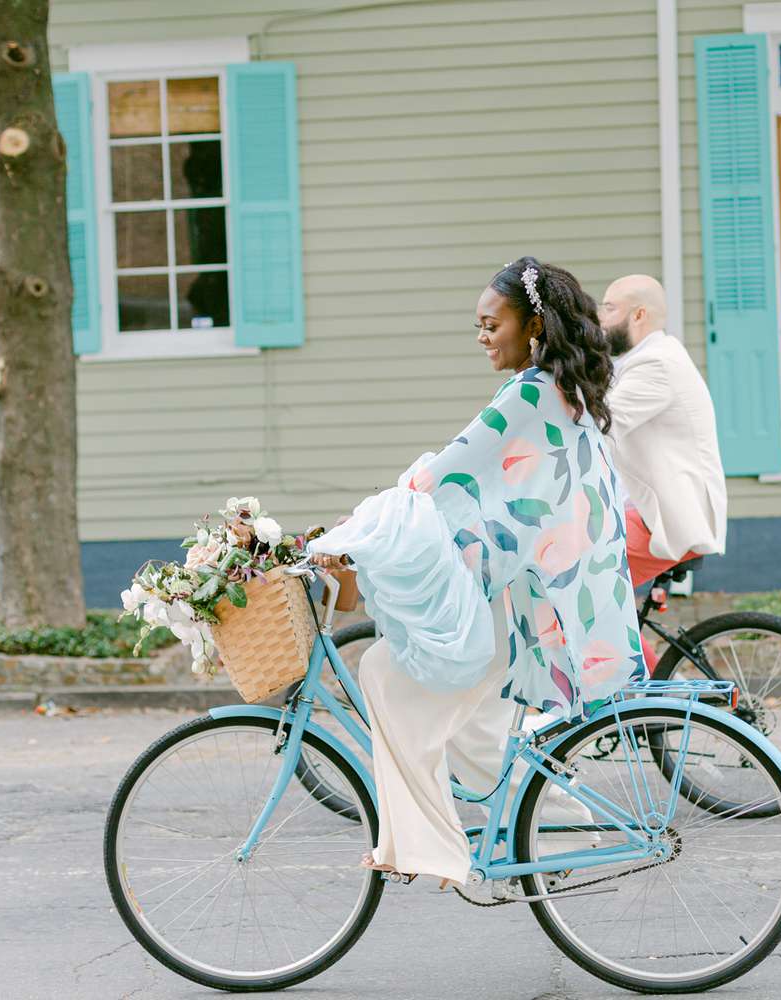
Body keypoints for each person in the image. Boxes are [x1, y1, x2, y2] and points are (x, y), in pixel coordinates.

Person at [307, 257, 642, 889]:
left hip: (513, 595)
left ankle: (427, 848)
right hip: (522, 593)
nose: (483, 337)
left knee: (383, 671)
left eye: (493, 324)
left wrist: (347, 534)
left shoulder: (529, 394)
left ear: (533, 323)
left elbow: (447, 472)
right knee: (477, 729)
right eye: (478, 326)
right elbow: (487, 489)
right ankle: (561, 825)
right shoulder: (556, 390)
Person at [597, 275, 728, 588]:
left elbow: (598, 425)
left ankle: (618, 639)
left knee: (579, 578)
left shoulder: (656, 364)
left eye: (610, 309)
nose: (600, 318)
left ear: (638, 315)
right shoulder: (642, 359)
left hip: (664, 517)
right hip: (641, 508)